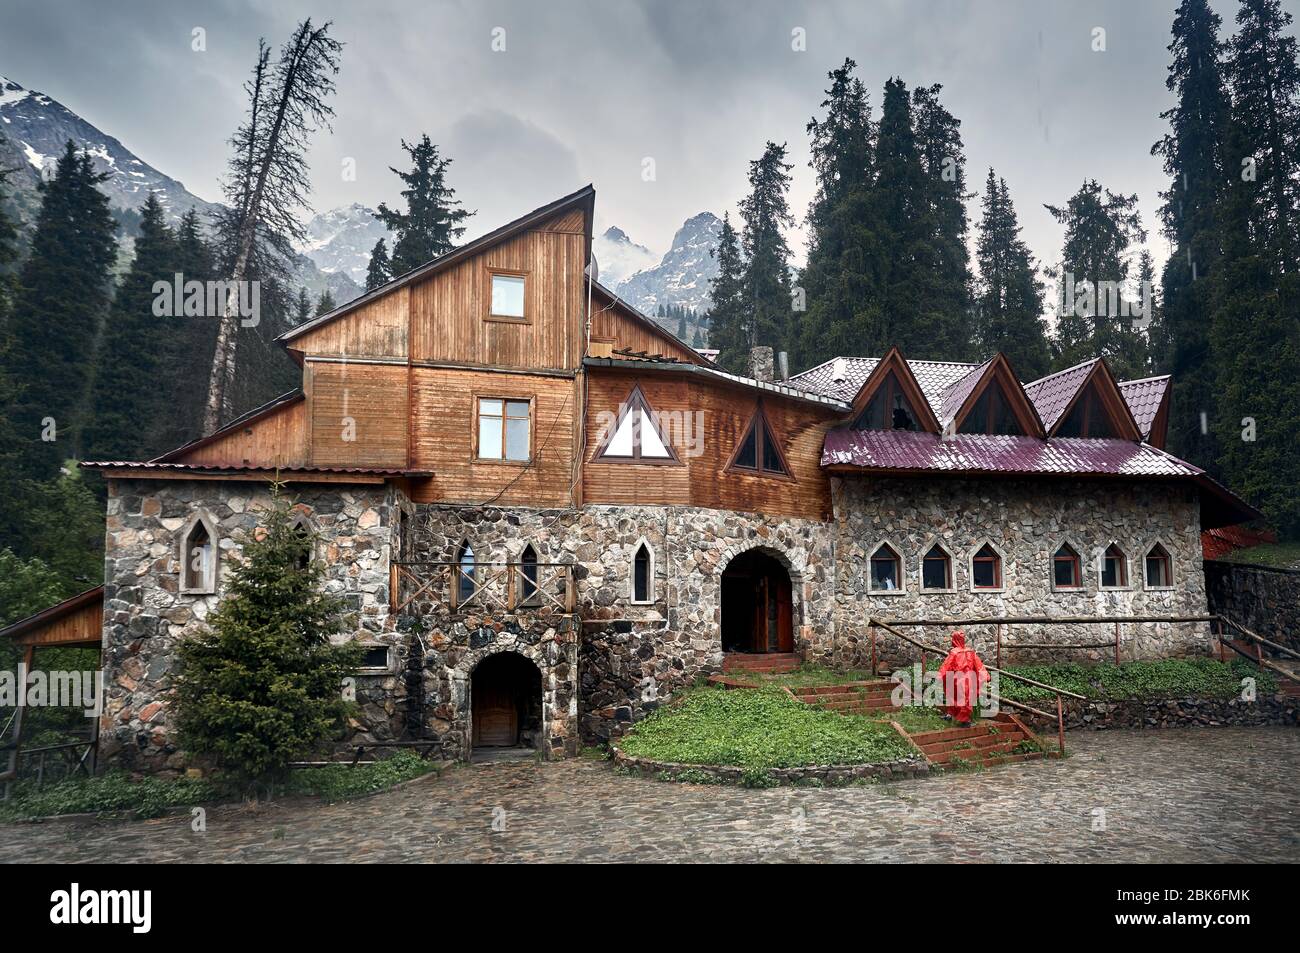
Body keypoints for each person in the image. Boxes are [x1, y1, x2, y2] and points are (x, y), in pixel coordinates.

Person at [936, 630, 989, 727]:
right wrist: (986, 676)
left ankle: (961, 720)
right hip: (968, 680)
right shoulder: (970, 651)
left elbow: (946, 665)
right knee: (966, 700)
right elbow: (979, 665)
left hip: (956, 679)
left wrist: (940, 676)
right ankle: (959, 718)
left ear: (954, 640)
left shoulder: (954, 652)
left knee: (953, 696)